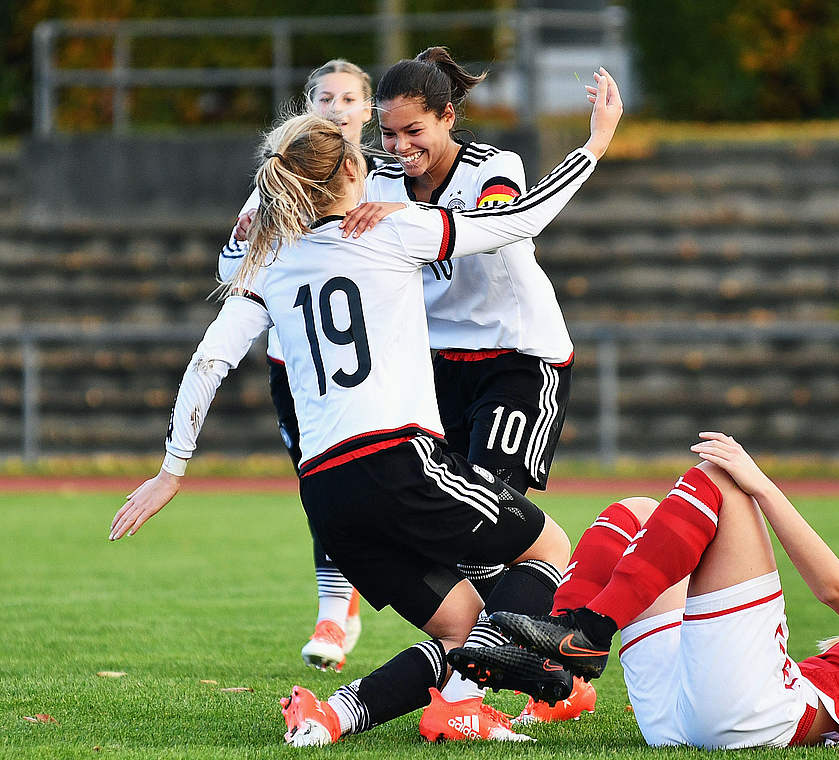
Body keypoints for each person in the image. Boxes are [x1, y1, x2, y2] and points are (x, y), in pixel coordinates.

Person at [109, 67, 624, 746]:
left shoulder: (273, 260)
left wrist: (172, 469)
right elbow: (519, 221)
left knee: (468, 627)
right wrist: (595, 142)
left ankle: (335, 714)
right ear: (357, 170)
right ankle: (499, 689)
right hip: (399, 461)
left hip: (323, 492)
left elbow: (210, 359)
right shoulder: (393, 229)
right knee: (548, 547)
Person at [448, 432, 839, 747]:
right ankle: (560, 658)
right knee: (634, 513)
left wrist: (761, 483)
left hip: (754, 713)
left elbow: (835, 589)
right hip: (695, 714)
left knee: (721, 480)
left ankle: (590, 631)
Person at [220, 57, 376, 674]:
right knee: (323, 489)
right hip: (299, 365)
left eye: (349, 98)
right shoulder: (275, 188)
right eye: (325, 98)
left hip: (382, 368)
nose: (337, 108)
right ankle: (334, 613)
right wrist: (240, 242)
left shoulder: (387, 178)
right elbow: (233, 274)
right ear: (308, 108)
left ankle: (448, 627)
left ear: (368, 110)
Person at [366, 47, 576, 502]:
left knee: (492, 511)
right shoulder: (377, 182)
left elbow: (490, 226)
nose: (401, 147)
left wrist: (404, 215)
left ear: (446, 116)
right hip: (437, 362)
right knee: (436, 518)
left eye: (413, 131)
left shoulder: (494, 166)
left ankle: (556, 566)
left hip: (517, 355)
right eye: (388, 134)